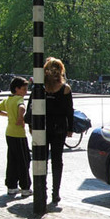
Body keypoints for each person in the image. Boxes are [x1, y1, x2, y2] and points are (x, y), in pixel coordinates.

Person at [0, 77, 32, 197]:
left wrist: (8, 115)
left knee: (12, 159)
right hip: (18, 134)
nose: (26, 91)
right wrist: (20, 117)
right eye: (24, 89)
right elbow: (22, 107)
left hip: (9, 133)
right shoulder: (19, 99)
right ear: (17, 89)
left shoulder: (7, 100)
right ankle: (25, 187)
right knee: (24, 160)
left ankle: (11, 186)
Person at [43, 57, 74, 204]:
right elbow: (69, 111)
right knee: (57, 160)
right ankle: (55, 193)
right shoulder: (65, 89)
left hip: (42, 126)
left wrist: (30, 125)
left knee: (41, 160)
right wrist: (70, 128)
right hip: (59, 127)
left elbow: (32, 106)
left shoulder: (40, 87)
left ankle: (41, 190)